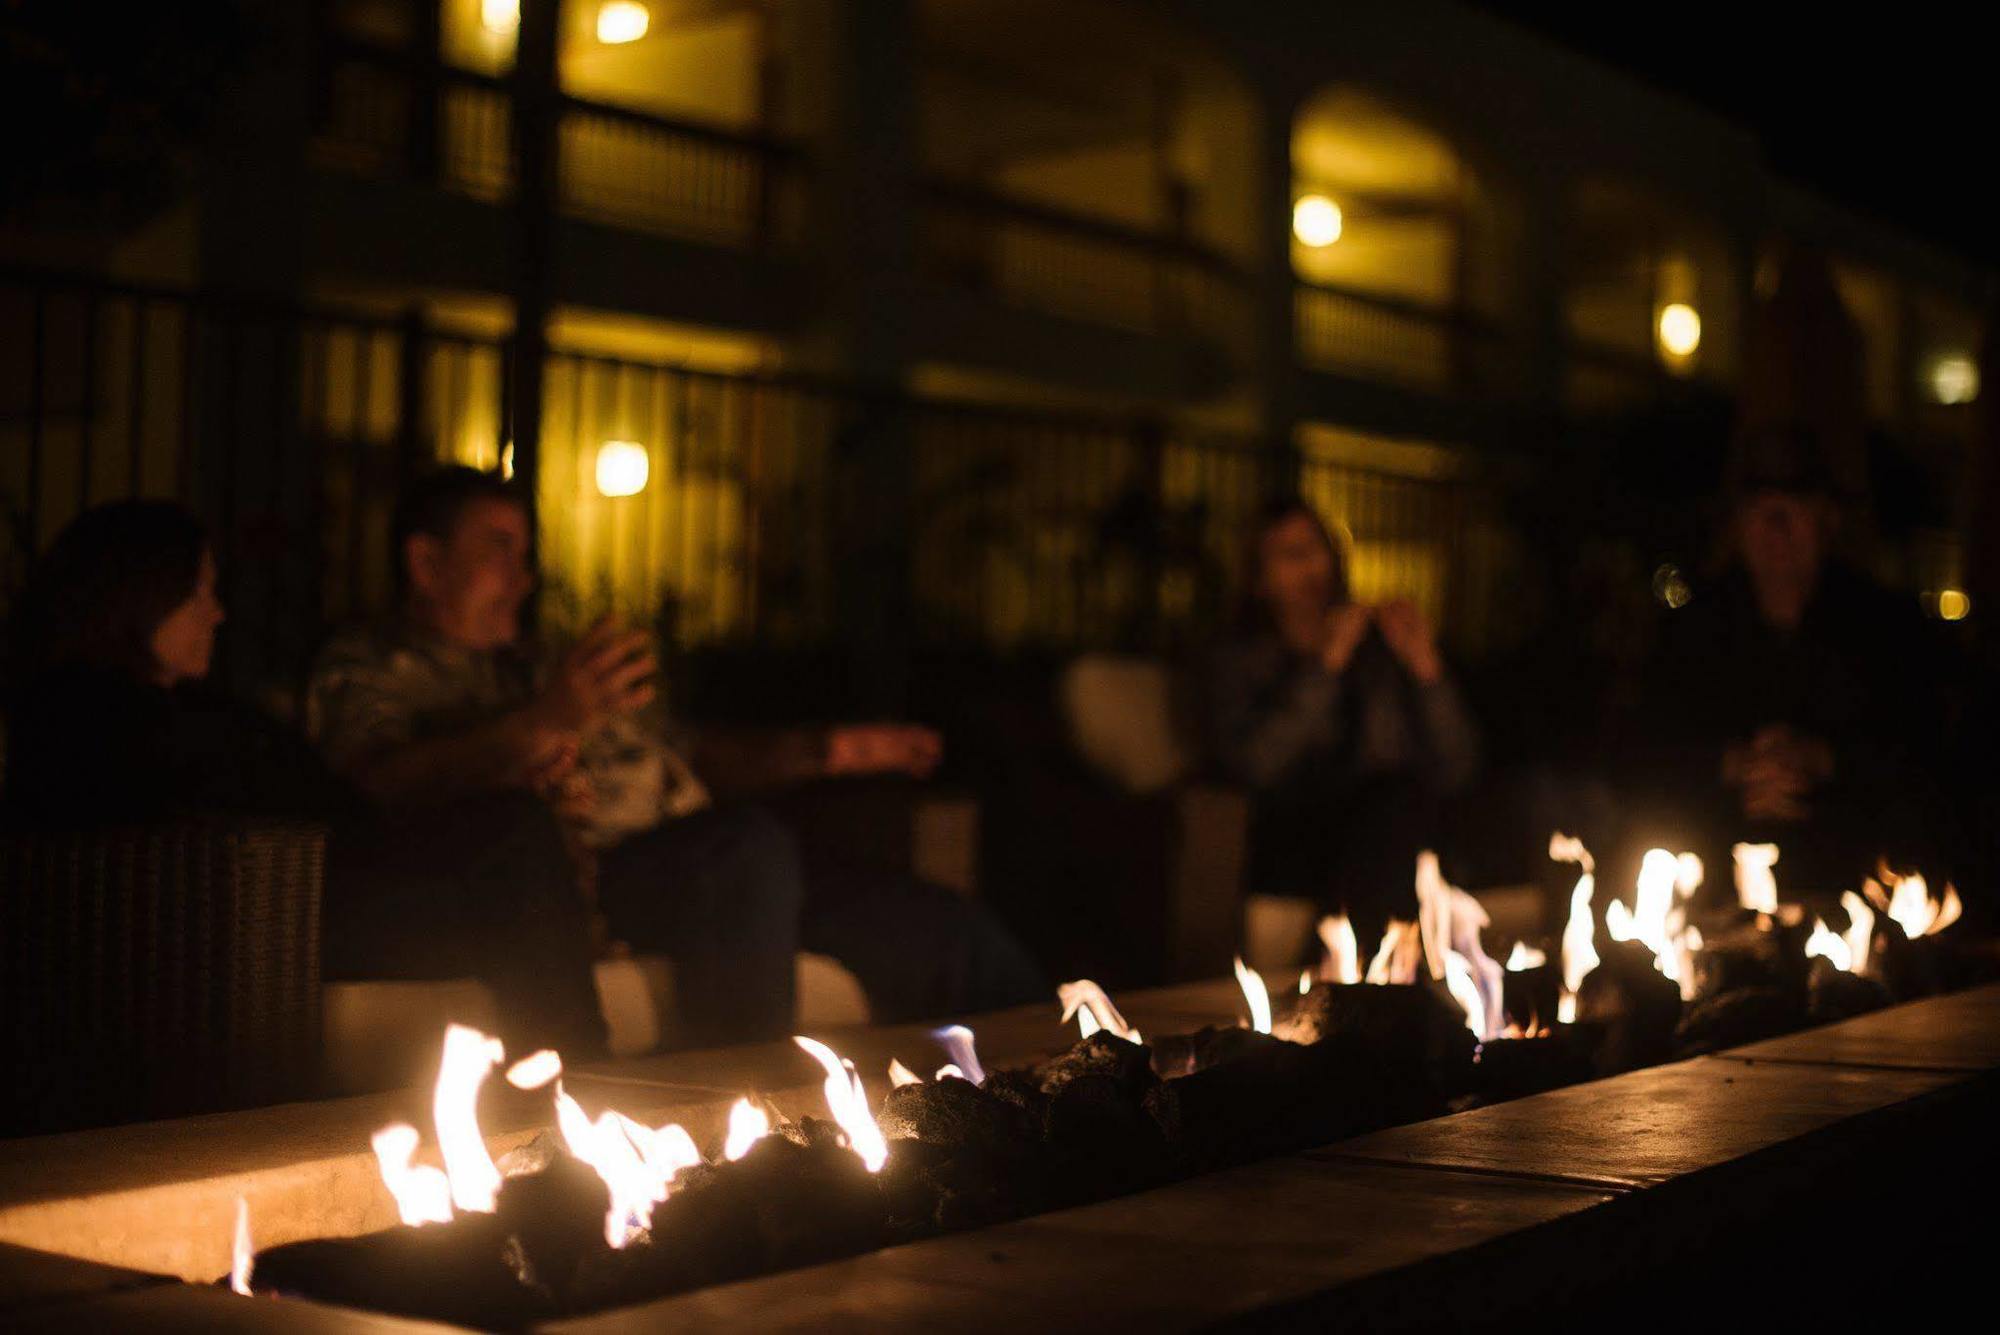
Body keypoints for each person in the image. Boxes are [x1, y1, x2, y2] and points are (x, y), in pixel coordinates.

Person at [306, 466, 1042, 1048]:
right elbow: (380, 783)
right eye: (498, 550)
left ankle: (1074, 1086)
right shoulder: (372, 664)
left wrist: (837, 748)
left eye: (526, 555)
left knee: (947, 930)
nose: (523, 578)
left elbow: (693, 756)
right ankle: (747, 1114)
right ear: (425, 562)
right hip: (597, 878)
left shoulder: (540, 663)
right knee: (745, 848)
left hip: (719, 862)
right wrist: (542, 724)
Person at [1, 501, 607, 1060]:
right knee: (513, 834)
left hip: (316, 887)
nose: (217, 612)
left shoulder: (177, 707)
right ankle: (577, 1074)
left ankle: (567, 1065)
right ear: (142, 598)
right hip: (277, 913)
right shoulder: (96, 714)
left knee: (518, 850)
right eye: (201, 591)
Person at [1625, 426, 1948, 896]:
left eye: (1792, 506)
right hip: (1707, 889)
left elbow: (1927, 750)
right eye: (1760, 507)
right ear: (1738, 521)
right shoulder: (1692, 631)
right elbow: (1639, 752)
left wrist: (1822, 761)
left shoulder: (1887, 628)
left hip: (1858, 885)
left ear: (1827, 517)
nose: (1776, 526)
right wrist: (1734, 765)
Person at [1205, 497, 1479, 947]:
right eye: (1288, 555)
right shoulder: (1238, 659)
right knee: (1394, 813)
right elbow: (1257, 766)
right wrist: (1325, 667)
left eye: (1315, 549)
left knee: (1406, 806)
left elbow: (1458, 766)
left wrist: (1426, 668)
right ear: (1258, 579)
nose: (1309, 566)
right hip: (1299, 824)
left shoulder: (1377, 652)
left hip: (1395, 819)